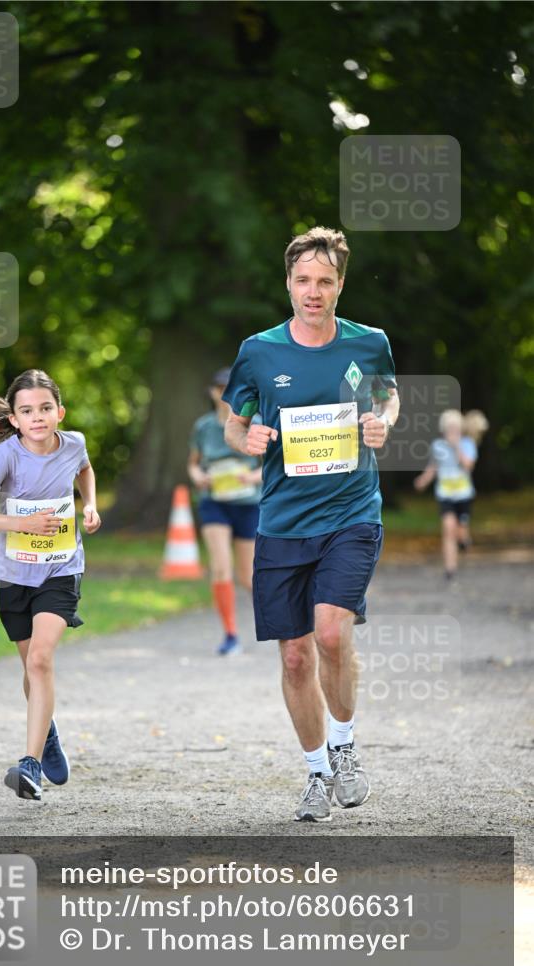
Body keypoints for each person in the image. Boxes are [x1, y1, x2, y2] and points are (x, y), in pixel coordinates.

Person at [223, 226, 399, 823]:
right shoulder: (259, 350)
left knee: (329, 634)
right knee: (294, 656)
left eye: (325, 281)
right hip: (282, 521)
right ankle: (318, 773)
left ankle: (346, 746)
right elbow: (232, 424)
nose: (313, 291)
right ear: (289, 284)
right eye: (303, 280)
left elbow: (388, 397)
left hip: (352, 512)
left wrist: (383, 423)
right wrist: (245, 436)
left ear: (340, 285)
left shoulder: (369, 343)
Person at [0, 369, 101, 801]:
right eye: (27, 411)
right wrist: (22, 522)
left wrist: (91, 505)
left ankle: (29, 764)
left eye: (45, 408)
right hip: (14, 574)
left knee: (41, 660)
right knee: (30, 669)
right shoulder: (4, 456)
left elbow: (85, 470)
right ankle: (49, 733)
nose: (37, 417)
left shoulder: (73, 443)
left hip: (61, 568)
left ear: (59, 412)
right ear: (16, 420)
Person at [188, 367, 262, 655]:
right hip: (214, 501)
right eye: (219, 389)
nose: (224, 395)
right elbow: (193, 462)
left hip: (247, 503)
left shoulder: (256, 423)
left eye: (229, 389)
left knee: (247, 575)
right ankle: (230, 634)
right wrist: (196, 476)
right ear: (212, 392)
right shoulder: (203, 427)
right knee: (221, 567)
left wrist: (251, 479)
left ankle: (283, 624)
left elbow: (272, 467)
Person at [413, 408, 486, 579]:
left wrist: (457, 447)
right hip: (445, 494)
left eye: (455, 429)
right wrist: (423, 480)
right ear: (444, 430)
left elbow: (468, 466)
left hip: (463, 495)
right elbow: (433, 467)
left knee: (460, 531)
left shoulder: (467, 444)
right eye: (449, 429)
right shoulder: (438, 446)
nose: (452, 432)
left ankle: (464, 540)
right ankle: (450, 568)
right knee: (448, 529)